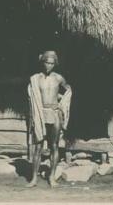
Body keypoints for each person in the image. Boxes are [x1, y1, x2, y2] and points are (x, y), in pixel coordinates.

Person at [26, 51, 72, 187]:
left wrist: (62, 103)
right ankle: (34, 178)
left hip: (54, 113)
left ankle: (52, 177)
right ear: (42, 62)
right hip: (40, 113)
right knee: (38, 146)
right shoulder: (35, 79)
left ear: (55, 64)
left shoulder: (59, 78)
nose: (49, 66)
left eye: (52, 63)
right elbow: (31, 95)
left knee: (54, 146)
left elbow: (68, 90)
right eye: (47, 62)